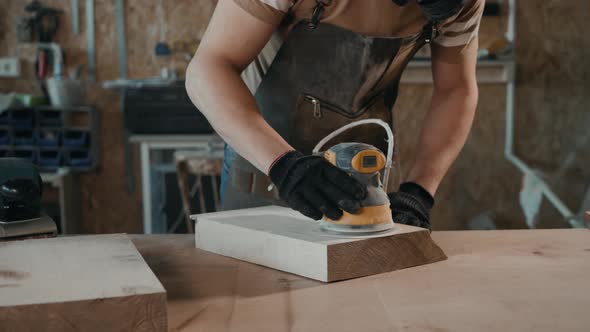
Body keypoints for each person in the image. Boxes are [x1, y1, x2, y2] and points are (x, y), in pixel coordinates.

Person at [186, 0, 483, 229]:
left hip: (364, 180)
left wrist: (419, 190)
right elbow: (208, 68)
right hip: (265, 168)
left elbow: (456, 90)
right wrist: (284, 165)